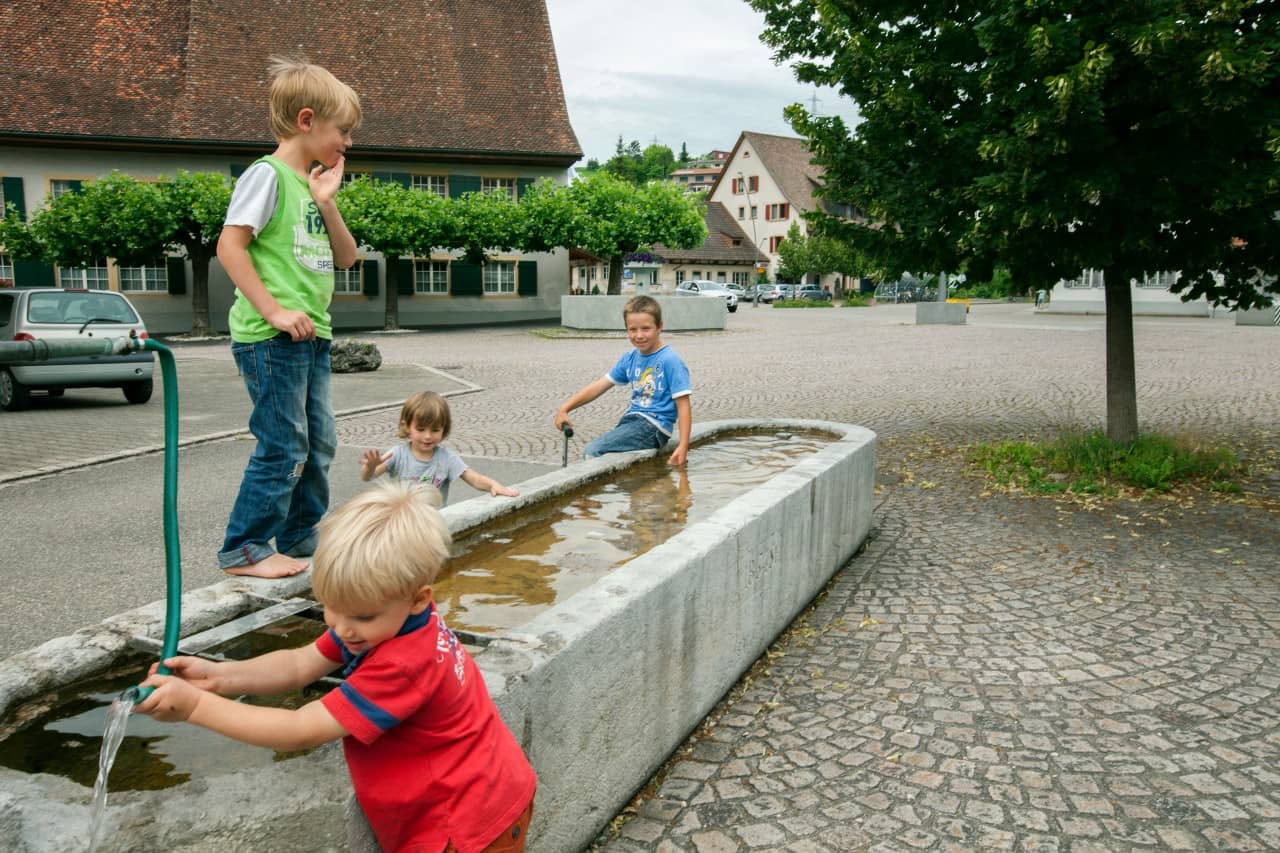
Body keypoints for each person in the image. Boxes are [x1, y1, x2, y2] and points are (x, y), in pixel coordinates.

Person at [137, 481, 538, 852]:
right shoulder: (384, 621)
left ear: (419, 598)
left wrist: (195, 708)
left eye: (360, 616)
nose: (342, 627)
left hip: (467, 827)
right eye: (330, 605)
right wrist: (217, 676)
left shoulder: (404, 662)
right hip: (486, 793)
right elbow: (300, 664)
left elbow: (298, 730)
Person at [216, 57, 361, 578]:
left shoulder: (311, 186)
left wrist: (328, 203)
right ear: (306, 121)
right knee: (284, 443)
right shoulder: (267, 175)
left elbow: (346, 259)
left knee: (320, 442)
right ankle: (245, 547)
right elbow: (230, 247)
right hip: (270, 337)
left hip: (312, 336)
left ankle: (299, 535)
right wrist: (273, 310)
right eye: (342, 131)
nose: (347, 143)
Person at [554, 295, 692, 465]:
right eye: (633, 329)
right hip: (632, 421)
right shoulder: (630, 358)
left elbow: (683, 405)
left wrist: (683, 444)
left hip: (654, 426)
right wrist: (565, 408)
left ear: (659, 327)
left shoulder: (670, 360)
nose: (639, 335)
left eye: (646, 328)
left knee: (593, 451)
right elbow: (599, 385)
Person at [359, 391, 520, 503]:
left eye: (435, 430)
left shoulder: (446, 458)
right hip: (403, 526)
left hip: (433, 526)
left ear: (444, 429)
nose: (428, 436)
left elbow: (475, 479)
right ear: (407, 426)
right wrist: (370, 467)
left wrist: (493, 485)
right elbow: (367, 477)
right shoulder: (398, 454)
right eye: (421, 429)